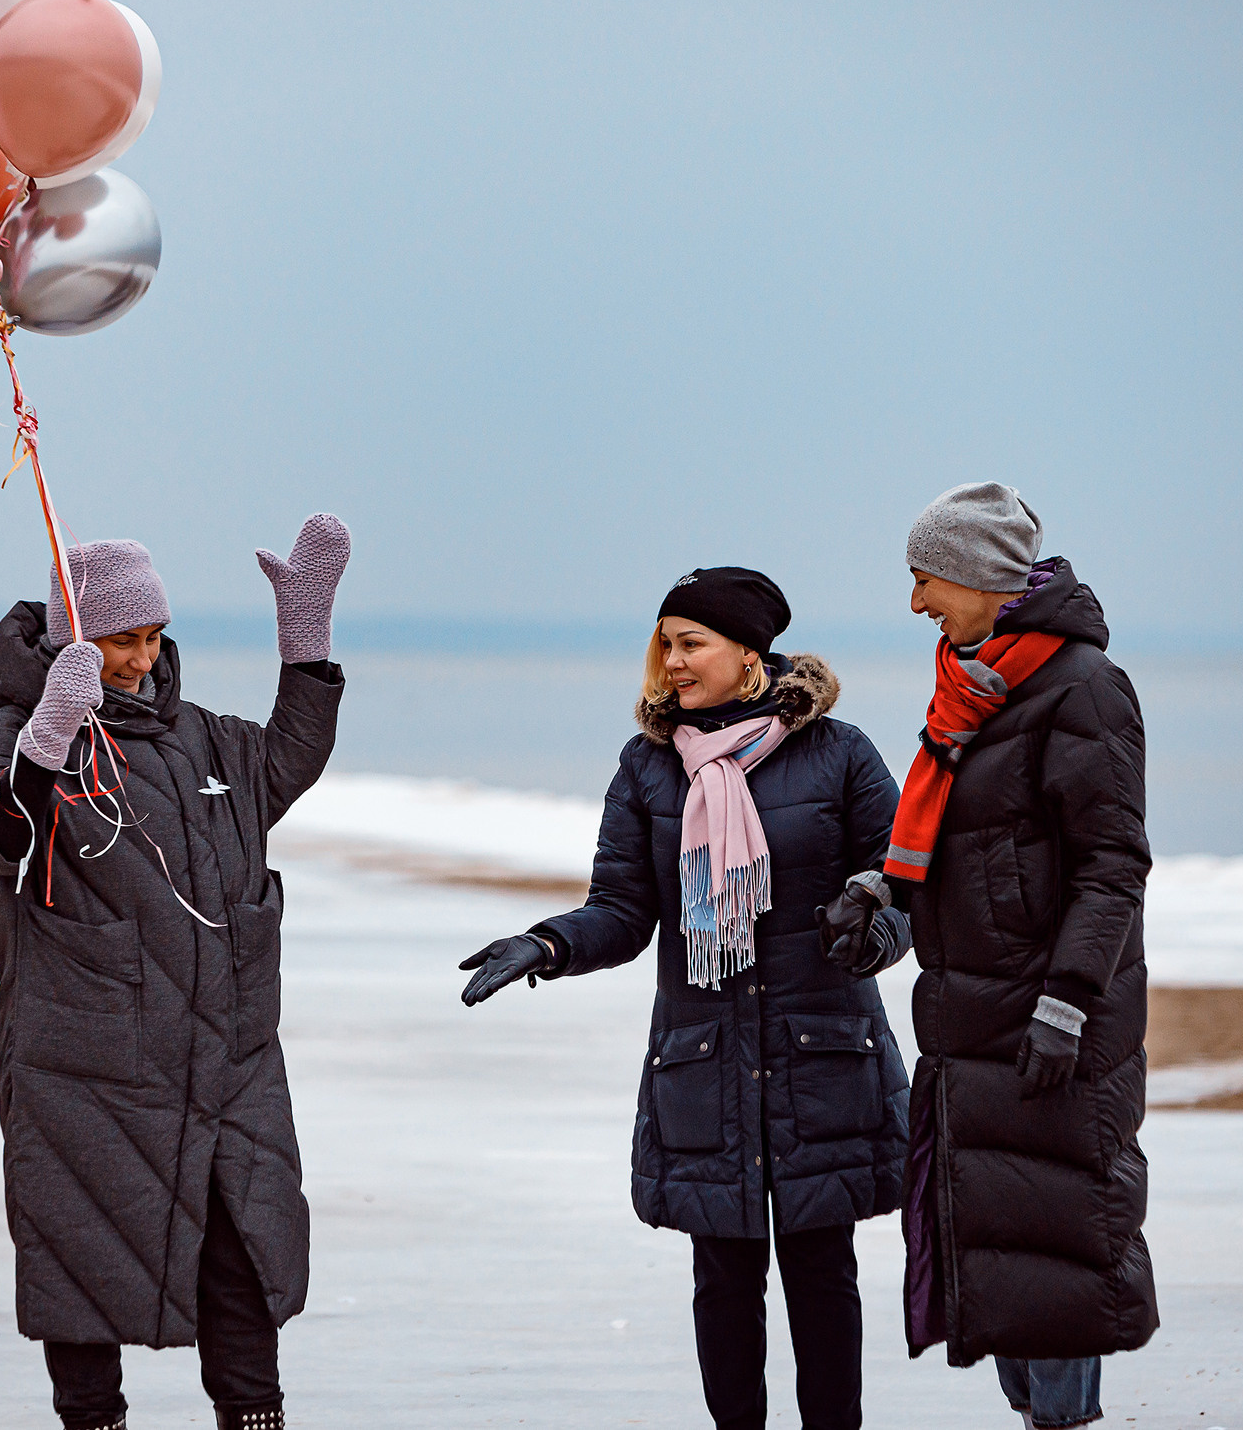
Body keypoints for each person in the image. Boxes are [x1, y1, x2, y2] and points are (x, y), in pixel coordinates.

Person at [458, 567, 910, 1430]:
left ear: (749, 653)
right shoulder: (649, 767)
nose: (671, 661)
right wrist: (549, 943)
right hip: (707, 1064)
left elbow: (902, 879)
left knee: (823, 1274)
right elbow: (623, 909)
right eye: (665, 643)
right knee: (724, 1281)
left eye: (691, 642)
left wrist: (874, 926)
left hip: (823, 1057)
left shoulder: (840, 751)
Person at [0, 518, 350, 1430]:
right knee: (82, 1272)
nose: (139, 658)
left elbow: (286, 763)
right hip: (86, 1073)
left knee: (245, 1267)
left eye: (149, 637)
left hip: (229, 1067)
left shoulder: (203, 739)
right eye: (118, 639)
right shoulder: (21, 731)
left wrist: (307, 646)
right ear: (72, 643)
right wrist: (50, 732)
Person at [877, 484, 1158, 1430]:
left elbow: (1113, 865)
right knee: (1004, 1238)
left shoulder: (1082, 687)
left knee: (1059, 1233)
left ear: (981, 578)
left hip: (1050, 1015)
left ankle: (1064, 1424)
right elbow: (963, 841)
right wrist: (882, 892)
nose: (915, 602)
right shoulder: (973, 684)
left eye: (926, 579)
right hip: (975, 1008)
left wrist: (1068, 1002)